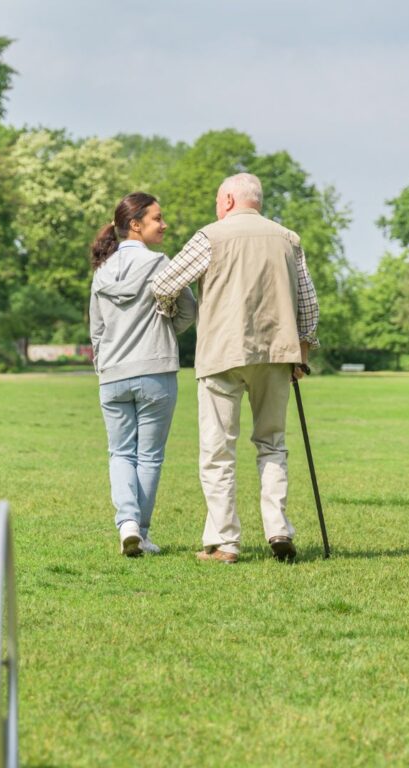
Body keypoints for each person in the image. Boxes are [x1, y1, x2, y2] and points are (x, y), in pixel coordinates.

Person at [151, 173, 319, 564]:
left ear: (227, 200)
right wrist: (303, 353)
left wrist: (172, 316)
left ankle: (225, 542)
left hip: (222, 353)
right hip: (278, 354)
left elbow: (164, 284)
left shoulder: (211, 235)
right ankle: (277, 528)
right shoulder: (288, 238)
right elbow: (308, 303)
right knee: (272, 444)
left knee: (217, 450)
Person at [90, 192, 196, 557]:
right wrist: (166, 329)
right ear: (135, 225)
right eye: (157, 219)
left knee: (120, 453)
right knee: (149, 456)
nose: (164, 224)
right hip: (156, 370)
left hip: (112, 374)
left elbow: (97, 330)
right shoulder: (161, 264)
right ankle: (142, 533)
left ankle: (127, 525)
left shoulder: (102, 271)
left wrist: (104, 368)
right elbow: (187, 312)